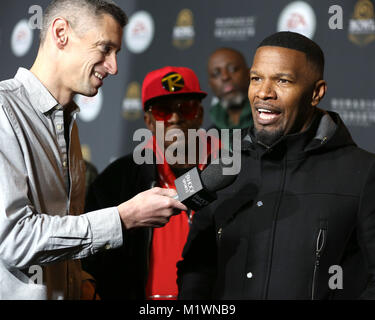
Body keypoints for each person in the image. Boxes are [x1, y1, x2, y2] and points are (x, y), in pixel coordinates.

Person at [0, 0, 186, 300]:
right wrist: (123, 218)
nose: (114, 67)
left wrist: (82, 284)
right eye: (105, 49)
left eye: (117, 53)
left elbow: (62, 243)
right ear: (61, 33)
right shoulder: (3, 113)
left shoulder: (68, 124)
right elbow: (14, 240)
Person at [177, 31, 375, 300]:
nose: (263, 93)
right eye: (256, 79)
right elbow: (196, 268)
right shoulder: (224, 164)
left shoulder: (363, 173)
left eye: (283, 80)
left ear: (316, 93)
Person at [83, 66, 220, 299]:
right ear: (148, 120)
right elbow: (94, 256)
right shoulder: (118, 179)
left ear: (199, 113)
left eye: (185, 108)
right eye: (163, 111)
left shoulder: (229, 169)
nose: (175, 118)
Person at [207, 48, 253, 131]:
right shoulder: (208, 138)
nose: (225, 77)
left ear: (248, 74)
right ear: (210, 84)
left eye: (233, 69)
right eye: (216, 73)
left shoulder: (270, 123)